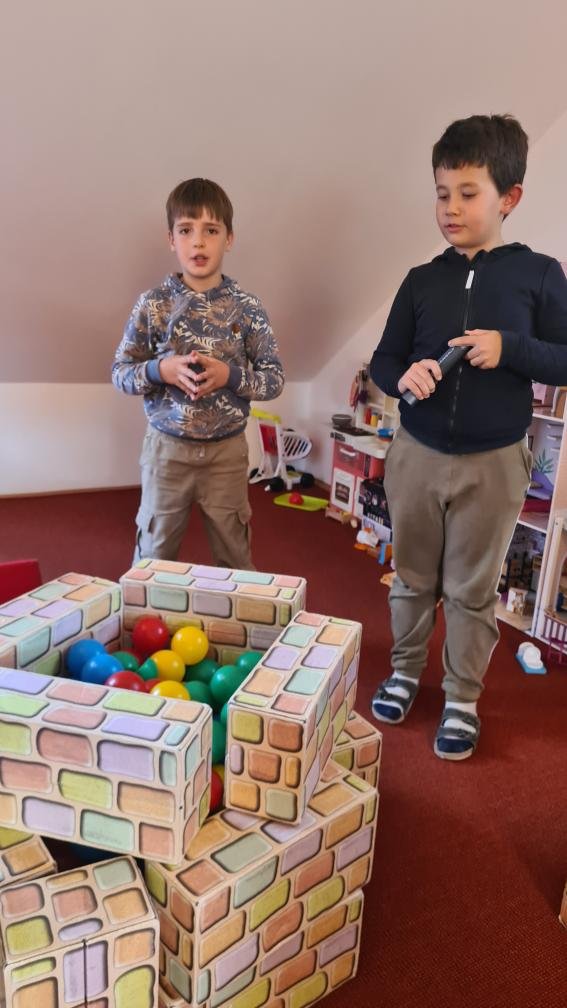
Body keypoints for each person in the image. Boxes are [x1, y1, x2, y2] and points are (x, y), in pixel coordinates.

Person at [369, 114, 567, 760]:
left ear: (509, 197)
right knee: (410, 578)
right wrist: (404, 376)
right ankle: (404, 673)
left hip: (494, 462)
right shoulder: (420, 280)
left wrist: (508, 347)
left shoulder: (539, 275)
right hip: (416, 454)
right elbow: (384, 361)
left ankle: (461, 698)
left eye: (467, 193)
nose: (450, 208)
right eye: (441, 193)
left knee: (470, 589)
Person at [112, 178, 284, 569]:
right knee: (153, 559)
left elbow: (274, 379)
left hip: (227, 454)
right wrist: (161, 370)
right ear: (171, 239)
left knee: (235, 558)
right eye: (186, 230)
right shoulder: (153, 304)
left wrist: (230, 376)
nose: (198, 242)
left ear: (229, 238)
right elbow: (120, 373)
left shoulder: (248, 308)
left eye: (211, 230)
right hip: (166, 452)